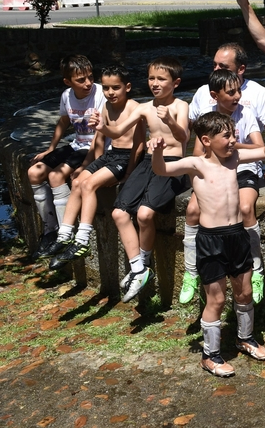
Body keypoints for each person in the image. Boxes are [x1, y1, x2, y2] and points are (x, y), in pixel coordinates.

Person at [149, 112, 265, 376]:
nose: (233, 140)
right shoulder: (196, 164)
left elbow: (263, 150)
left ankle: (244, 338)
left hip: (237, 235)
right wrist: (156, 152)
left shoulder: (234, 159)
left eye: (233, 134)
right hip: (211, 240)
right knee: (217, 298)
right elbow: (161, 169)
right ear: (206, 140)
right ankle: (210, 355)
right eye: (227, 136)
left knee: (244, 292)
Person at [182, 42, 265, 304]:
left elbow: (260, 147)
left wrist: (229, 146)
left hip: (244, 167)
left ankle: (257, 269)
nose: (237, 97)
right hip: (214, 172)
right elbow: (196, 154)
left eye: (238, 91)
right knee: (192, 210)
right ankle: (191, 271)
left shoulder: (246, 113)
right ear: (216, 96)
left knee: (247, 208)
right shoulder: (207, 117)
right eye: (231, 93)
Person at [91, 57, 191, 303]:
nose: (155, 84)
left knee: (145, 214)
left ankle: (142, 265)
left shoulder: (180, 106)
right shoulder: (144, 108)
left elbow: (184, 136)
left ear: (175, 82)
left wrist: (168, 119)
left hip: (172, 165)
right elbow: (118, 131)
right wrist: (102, 127)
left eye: (161, 79)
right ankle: (139, 269)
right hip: (148, 163)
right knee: (119, 213)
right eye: (151, 78)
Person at [45, 65, 145, 269]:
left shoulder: (135, 108)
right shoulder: (106, 107)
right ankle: (65, 234)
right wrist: (88, 165)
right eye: (106, 88)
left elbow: (139, 144)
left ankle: (82, 239)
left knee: (89, 185)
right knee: (77, 182)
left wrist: (128, 172)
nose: (110, 92)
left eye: (115, 88)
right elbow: (99, 140)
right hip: (110, 155)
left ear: (127, 87)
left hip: (125, 158)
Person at [29, 55, 105, 259]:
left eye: (90, 77)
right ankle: (50, 230)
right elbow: (64, 122)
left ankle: (66, 234)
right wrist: (50, 148)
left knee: (55, 176)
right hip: (76, 144)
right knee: (34, 172)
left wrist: (88, 162)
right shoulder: (66, 95)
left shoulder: (100, 94)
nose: (88, 83)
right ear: (68, 81)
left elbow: (100, 134)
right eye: (81, 80)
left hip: (93, 147)